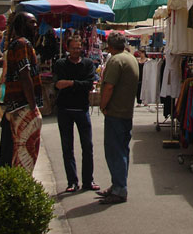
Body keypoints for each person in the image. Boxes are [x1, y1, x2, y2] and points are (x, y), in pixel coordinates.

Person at [53, 34, 100, 193]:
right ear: (67, 48)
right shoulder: (60, 64)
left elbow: (89, 84)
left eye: (78, 48)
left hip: (82, 109)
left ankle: (88, 180)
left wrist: (70, 83)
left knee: (87, 146)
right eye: (73, 48)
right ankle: (72, 181)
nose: (76, 51)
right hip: (64, 109)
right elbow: (57, 84)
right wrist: (77, 84)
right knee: (67, 147)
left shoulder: (88, 64)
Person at [97, 32, 139, 204]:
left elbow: (109, 87)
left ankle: (120, 189)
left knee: (115, 152)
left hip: (116, 112)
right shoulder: (130, 58)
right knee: (122, 150)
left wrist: (102, 105)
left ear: (110, 45)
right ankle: (118, 185)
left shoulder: (116, 61)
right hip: (126, 112)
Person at [3, 12, 43, 174]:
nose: (35, 25)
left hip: (17, 104)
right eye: (31, 22)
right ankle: (23, 183)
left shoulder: (17, 43)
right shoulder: (22, 44)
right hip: (23, 105)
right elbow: (24, 74)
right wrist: (33, 106)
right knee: (26, 150)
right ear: (21, 25)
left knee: (19, 149)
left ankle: (18, 182)